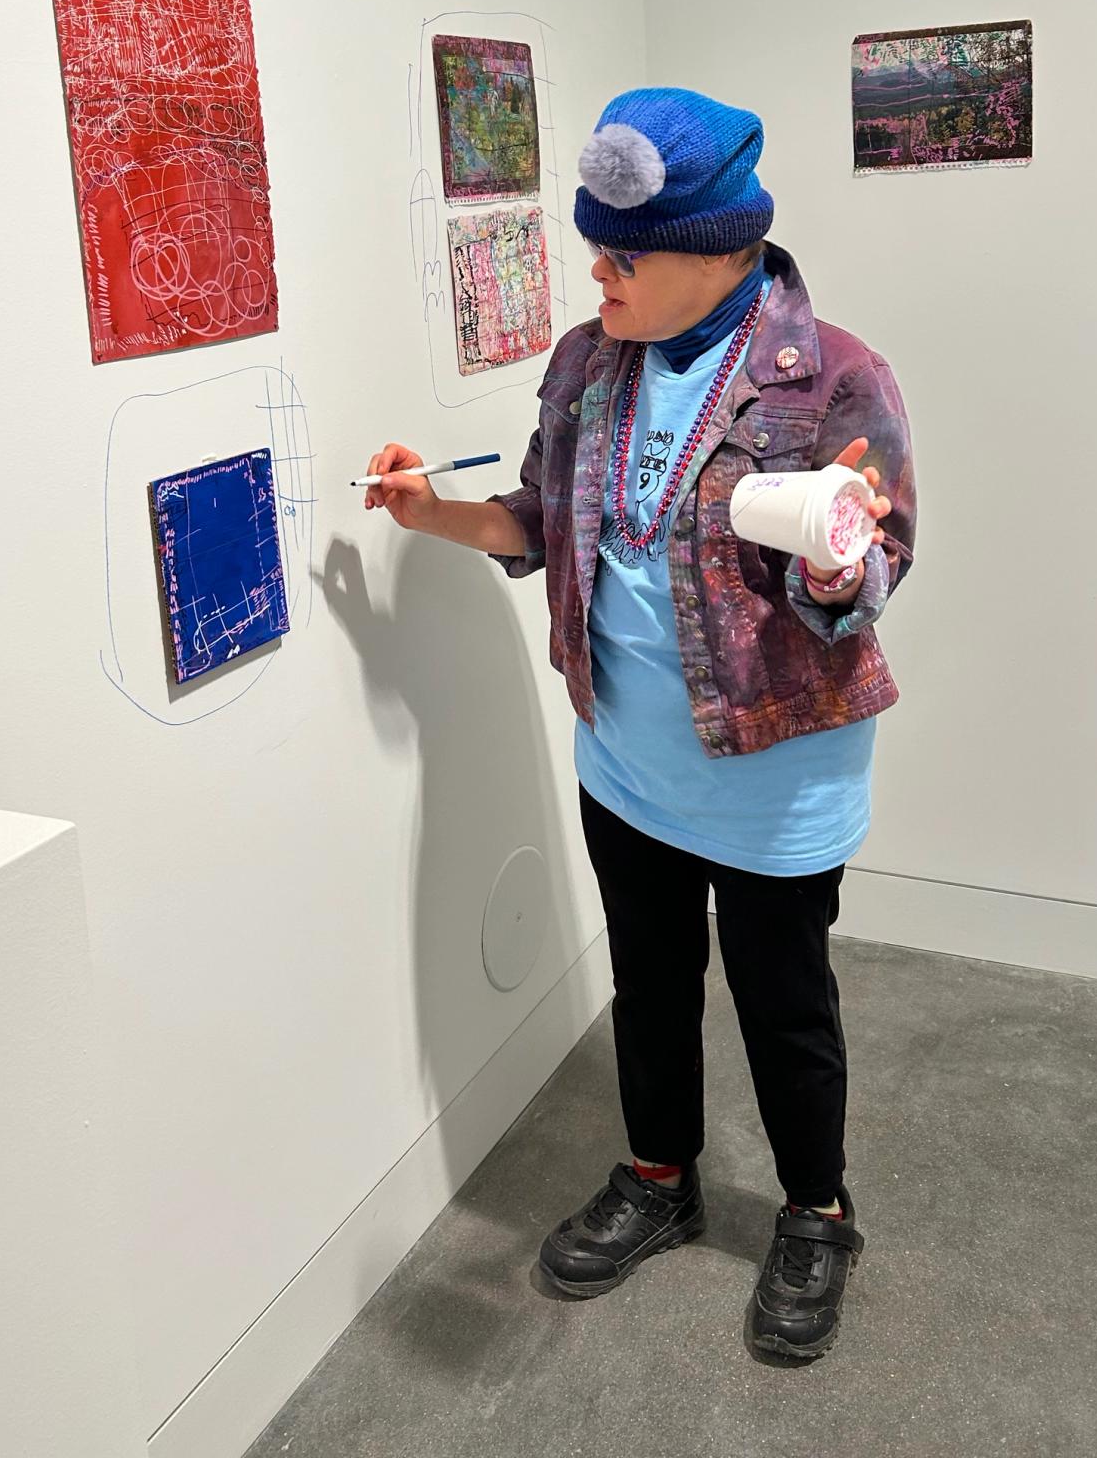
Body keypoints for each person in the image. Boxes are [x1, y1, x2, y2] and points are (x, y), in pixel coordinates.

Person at [365, 87, 916, 1361]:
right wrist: (427, 513)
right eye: (593, 247)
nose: (598, 273)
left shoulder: (835, 376)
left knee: (785, 1004)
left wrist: (841, 558)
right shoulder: (584, 361)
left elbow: (878, 565)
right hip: (624, 759)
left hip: (776, 765)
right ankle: (659, 1177)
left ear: (722, 251)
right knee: (651, 983)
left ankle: (816, 1213)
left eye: (626, 254)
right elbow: (544, 519)